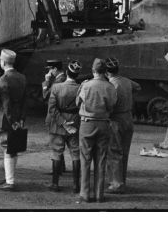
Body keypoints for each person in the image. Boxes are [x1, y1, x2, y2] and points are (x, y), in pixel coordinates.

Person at [76, 58, 117, 203]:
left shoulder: (86, 85)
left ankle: (85, 193)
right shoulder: (110, 87)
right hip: (104, 124)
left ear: (93, 71)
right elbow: (112, 106)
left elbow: (77, 103)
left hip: (87, 124)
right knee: (101, 159)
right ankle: (100, 194)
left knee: (85, 159)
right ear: (105, 71)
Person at [105, 57, 140, 194]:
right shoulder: (126, 81)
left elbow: (110, 105)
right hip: (128, 118)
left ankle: (116, 184)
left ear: (107, 72)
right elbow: (138, 87)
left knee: (114, 152)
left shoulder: (111, 85)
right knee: (124, 152)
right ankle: (122, 180)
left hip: (116, 120)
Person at [47, 60, 82, 193]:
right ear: (77, 75)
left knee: (56, 152)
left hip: (58, 125)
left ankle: (55, 184)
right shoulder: (81, 88)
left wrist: (62, 122)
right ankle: (76, 185)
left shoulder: (56, 88)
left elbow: (52, 109)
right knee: (75, 153)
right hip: (75, 123)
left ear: (67, 72)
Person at [0, 49, 27, 191]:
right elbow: (25, 101)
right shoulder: (22, 77)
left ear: (3, 62)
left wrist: (12, 120)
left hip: (6, 119)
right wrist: (21, 119)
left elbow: (6, 104)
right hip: (19, 115)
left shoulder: (3, 79)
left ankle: (10, 181)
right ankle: (9, 177)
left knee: (8, 148)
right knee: (13, 147)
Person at [43, 59, 67, 172]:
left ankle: (56, 170)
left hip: (55, 116)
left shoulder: (58, 81)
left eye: (50, 69)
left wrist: (46, 81)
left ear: (55, 69)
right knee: (59, 142)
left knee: (55, 143)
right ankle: (61, 166)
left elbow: (46, 96)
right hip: (62, 115)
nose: (49, 72)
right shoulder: (63, 78)